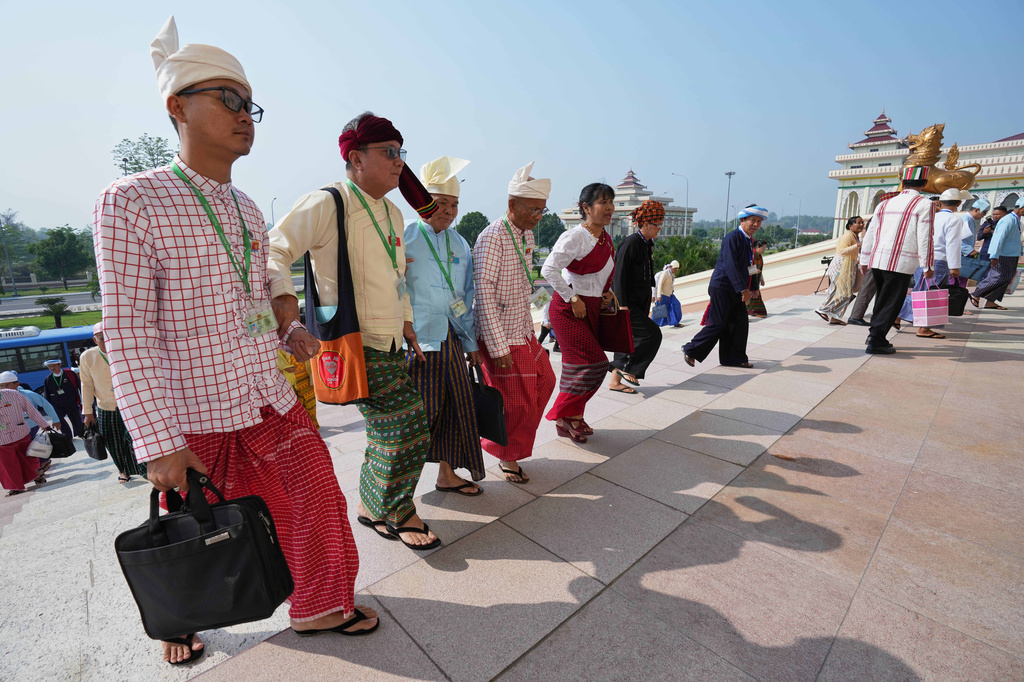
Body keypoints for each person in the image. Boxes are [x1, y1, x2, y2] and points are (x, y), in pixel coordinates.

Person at [94, 17, 375, 665]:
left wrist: (285, 326)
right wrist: (159, 442)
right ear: (177, 107)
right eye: (228, 100)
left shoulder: (246, 208)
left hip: (265, 398)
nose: (246, 115)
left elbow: (247, 306)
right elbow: (129, 329)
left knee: (316, 496)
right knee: (196, 531)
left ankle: (317, 606)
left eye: (250, 104)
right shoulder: (132, 202)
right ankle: (178, 619)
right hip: (193, 416)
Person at [268, 112, 440, 551]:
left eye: (401, 152)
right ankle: (398, 509)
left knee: (391, 427)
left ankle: (371, 505)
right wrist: (287, 309)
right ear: (356, 158)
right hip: (351, 339)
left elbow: (397, 275)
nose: (399, 162)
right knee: (408, 422)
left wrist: (406, 322)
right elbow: (275, 248)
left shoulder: (395, 214)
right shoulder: (328, 202)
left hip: (390, 340)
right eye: (390, 152)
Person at [404, 155, 485, 496]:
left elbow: (465, 296)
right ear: (424, 202)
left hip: (451, 338)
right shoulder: (404, 235)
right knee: (416, 418)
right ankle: (399, 492)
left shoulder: (460, 243)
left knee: (455, 408)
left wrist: (471, 345)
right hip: (415, 342)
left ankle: (447, 475)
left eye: (454, 205)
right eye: (441, 203)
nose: (449, 211)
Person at [473, 162, 557, 481]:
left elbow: (531, 277)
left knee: (546, 381)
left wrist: (543, 307)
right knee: (517, 403)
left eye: (542, 210)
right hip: (501, 337)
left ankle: (511, 445)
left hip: (523, 330)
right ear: (512, 205)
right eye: (534, 210)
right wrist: (496, 348)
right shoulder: (493, 237)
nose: (538, 216)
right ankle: (507, 456)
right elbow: (483, 293)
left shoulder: (527, 235)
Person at [541, 183, 616, 443]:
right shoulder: (575, 236)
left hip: (592, 306)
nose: (609, 208)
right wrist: (573, 297)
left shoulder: (606, 239)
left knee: (576, 368)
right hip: (570, 307)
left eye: (611, 202)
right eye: (603, 202)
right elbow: (548, 270)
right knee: (595, 364)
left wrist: (608, 293)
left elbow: (601, 276)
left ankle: (572, 418)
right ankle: (561, 412)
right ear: (585, 207)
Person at [858, 167, 934, 354]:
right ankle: (876, 340)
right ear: (924, 184)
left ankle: (875, 333)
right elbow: (925, 237)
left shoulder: (884, 204)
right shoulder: (924, 204)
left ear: (903, 183)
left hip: (878, 259)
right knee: (892, 301)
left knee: (882, 299)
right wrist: (927, 264)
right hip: (901, 262)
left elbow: (870, 233)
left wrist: (864, 258)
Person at [683, 206, 767, 369]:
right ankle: (691, 349)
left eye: (759, 221)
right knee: (718, 323)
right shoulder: (733, 237)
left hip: (736, 288)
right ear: (742, 220)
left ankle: (733, 358)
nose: (756, 224)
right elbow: (730, 266)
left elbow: (748, 265)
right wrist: (743, 289)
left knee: (739, 323)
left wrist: (753, 286)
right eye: (753, 220)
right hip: (723, 287)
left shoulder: (748, 239)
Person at [79, 322, 148, 483]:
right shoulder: (88, 357)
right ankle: (123, 471)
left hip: (131, 404)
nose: (106, 341)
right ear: (95, 340)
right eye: (101, 338)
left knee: (136, 438)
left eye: (109, 337)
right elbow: (86, 384)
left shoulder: (125, 352)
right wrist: (87, 411)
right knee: (112, 441)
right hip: (106, 407)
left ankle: (145, 469)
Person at [608, 199, 664, 394]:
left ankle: (615, 382)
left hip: (640, 302)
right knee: (652, 334)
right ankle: (630, 370)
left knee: (627, 340)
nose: (659, 229)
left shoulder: (646, 243)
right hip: (627, 304)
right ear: (646, 224)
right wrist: (622, 305)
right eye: (657, 225)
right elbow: (619, 274)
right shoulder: (631, 242)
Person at [970, 200, 1023, 310]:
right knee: (998, 276)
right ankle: (976, 293)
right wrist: (994, 255)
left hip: (1011, 254)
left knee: (1006, 278)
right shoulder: (1008, 220)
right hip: (1004, 254)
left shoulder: (1016, 220)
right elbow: (998, 238)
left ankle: (990, 301)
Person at [0, 388, 52, 497]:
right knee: (8, 465)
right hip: (2, 440)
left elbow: (30, 409)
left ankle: (37, 476)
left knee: (30, 459)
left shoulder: (12, 394)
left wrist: (44, 424)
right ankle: (15, 487)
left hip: (21, 433)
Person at [816, 216, 864, 324]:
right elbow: (842, 251)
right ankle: (823, 309)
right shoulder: (847, 236)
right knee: (840, 291)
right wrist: (857, 245)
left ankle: (835, 317)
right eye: (859, 223)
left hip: (849, 266)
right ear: (851, 226)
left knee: (847, 293)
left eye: (862, 223)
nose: (861, 225)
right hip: (840, 266)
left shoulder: (856, 236)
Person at [0, 370, 58, 441]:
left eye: (7, 385)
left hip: (31, 425)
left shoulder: (28, 394)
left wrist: (55, 419)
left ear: (17, 385)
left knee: (27, 445)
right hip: (11, 429)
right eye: (1, 386)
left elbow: (45, 405)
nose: (4, 388)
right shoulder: (2, 398)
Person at [41, 359, 82, 439]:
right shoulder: (48, 379)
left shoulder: (70, 374)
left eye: (54, 366)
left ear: (59, 365)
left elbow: (80, 386)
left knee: (76, 419)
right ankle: (67, 436)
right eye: (50, 367)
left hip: (71, 402)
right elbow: (47, 394)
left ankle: (80, 433)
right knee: (60, 419)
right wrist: (49, 407)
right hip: (57, 404)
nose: (52, 368)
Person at [958, 198, 991, 283]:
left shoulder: (971, 220)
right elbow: (958, 239)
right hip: (961, 255)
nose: (984, 215)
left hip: (964, 254)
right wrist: (969, 250)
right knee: (958, 280)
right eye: (984, 212)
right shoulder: (966, 220)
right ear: (977, 210)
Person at [654, 260, 683, 328]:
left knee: (677, 305)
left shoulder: (672, 275)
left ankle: (676, 322)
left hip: (670, 294)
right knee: (661, 310)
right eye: (676, 269)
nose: (676, 270)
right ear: (672, 267)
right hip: (663, 295)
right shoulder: (665, 273)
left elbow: (671, 283)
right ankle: (655, 324)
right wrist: (658, 296)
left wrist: (672, 289)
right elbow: (660, 284)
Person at [745, 240, 769, 318]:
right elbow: (746, 268)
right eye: (763, 248)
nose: (764, 250)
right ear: (757, 247)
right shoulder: (751, 255)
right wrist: (754, 271)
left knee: (754, 296)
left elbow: (759, 268)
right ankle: (750, 313)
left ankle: (753, 312)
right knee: (749, 296)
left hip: (755, 280)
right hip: (749, 280)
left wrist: (761, 279)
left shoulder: (759, 257)